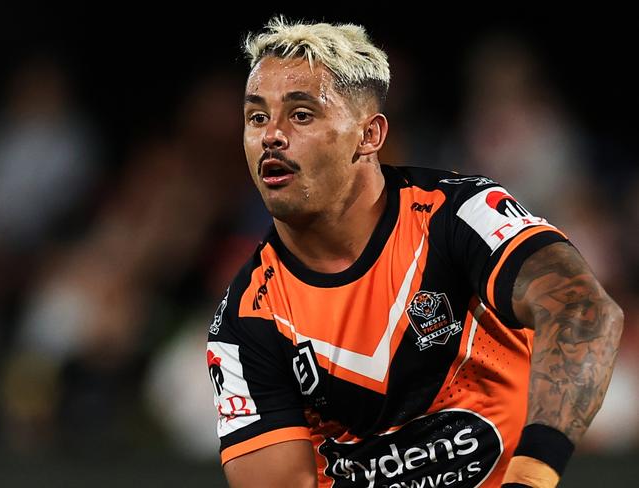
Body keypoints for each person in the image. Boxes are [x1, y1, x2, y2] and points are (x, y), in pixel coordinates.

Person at [206, 16, 624, 488]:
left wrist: (531, 476)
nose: (271, 136)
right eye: (257, 117)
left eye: (301, 114)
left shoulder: (460, 215)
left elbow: (584, 310)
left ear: (369, 136)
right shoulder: (246, 322)